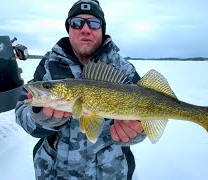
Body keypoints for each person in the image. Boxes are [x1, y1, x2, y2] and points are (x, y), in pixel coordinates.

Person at [15, 0, 146, 179]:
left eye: (93, 23)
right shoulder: (48, 65)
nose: (85, 29)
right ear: (68, 28)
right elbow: (22, 111)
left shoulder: (123, 69)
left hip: (110, 173)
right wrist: (40, 117)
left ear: (102, 29)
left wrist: (137, 132)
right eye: (77, 23)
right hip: (54, 172)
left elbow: (147, 115)